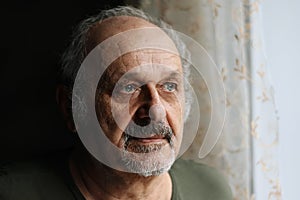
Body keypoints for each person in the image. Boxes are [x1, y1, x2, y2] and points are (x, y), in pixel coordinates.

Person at [0, 6, 232, 200]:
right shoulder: (12, 192)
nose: (155, 110)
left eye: (169, 86)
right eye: (128, 87)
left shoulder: (210, 189)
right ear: (70, 107)